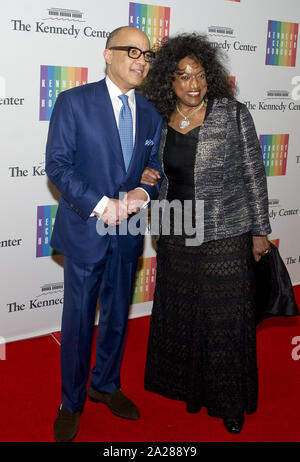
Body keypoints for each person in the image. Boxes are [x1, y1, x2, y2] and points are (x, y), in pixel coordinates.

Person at [140, 33, 271, 434]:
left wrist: (259, 230)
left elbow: (254, 173)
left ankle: (230, 402)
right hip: (175, 227)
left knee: (223, 318)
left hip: (226, 229)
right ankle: (186, 387)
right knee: (181, 311)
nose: (193, 84)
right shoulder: (160, 120)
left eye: (199, 75)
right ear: (169, 82)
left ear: (209, 77)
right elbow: (159, 175)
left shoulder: (232, 113)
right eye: (183, 76)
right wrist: (156, 212)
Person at [45, 26, 162, 442]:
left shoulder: (150, 112)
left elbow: (154, 170)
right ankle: (70, 401)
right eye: (131, 51)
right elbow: (58, 166)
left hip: (129, 233)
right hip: (85, 230)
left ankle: (105, 385)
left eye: (147, 55)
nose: (141, 60)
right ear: (106, 54)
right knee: (78, 320)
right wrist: (102, 204)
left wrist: (142, 192)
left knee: (116, 318)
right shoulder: (73, 102)